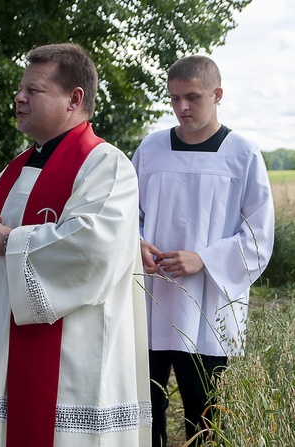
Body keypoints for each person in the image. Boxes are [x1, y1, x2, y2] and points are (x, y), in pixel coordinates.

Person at [0, 43, 151, 446]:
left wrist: (6, 241)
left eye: (33, 91)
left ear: (74, 99)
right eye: (20, 89)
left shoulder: (106, 165)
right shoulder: (15, 168)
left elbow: (93, 249)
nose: (19, 98)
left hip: (72, 357)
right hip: (3, 349)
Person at [132, 55, 275, 446]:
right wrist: (136, 243)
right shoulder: (151, 149)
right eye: (174, 98)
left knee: (205, 412)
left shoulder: (242, 154)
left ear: (218, 94)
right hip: (150, 299)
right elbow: (128, 213)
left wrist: (204, 259)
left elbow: (259, 235)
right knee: (146, 408)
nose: (182, 108)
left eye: (192, 97)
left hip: (208, 306)